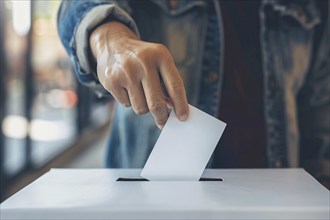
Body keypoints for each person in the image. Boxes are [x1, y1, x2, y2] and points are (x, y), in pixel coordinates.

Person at [57, 0, 329, 184]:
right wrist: (111, 40)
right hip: (152, 202)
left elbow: (319, 118)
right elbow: (77, 7)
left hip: (274, 198)